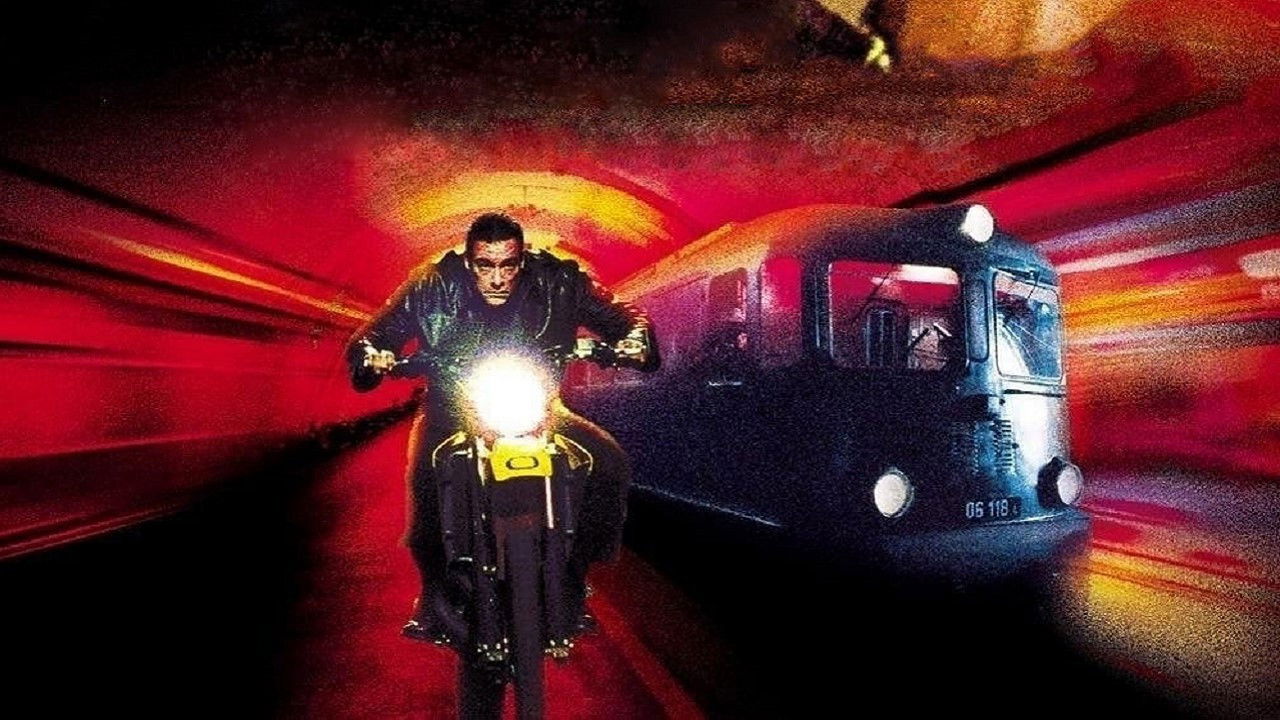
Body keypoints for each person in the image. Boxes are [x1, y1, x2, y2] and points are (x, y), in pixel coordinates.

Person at [344, 212, 659, 644]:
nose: (497, 278)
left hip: (538, 407)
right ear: (469, 261)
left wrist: (634, 340)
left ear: (522, 260)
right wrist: (372, 355)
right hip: (449, 408)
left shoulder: (561, 280)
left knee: (606, 460)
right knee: (425, 475)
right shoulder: (431, 285)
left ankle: (573, 577)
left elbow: (625, 317)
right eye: (485, 266)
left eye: (508, 265)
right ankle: (433, 593)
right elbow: (374, 335)